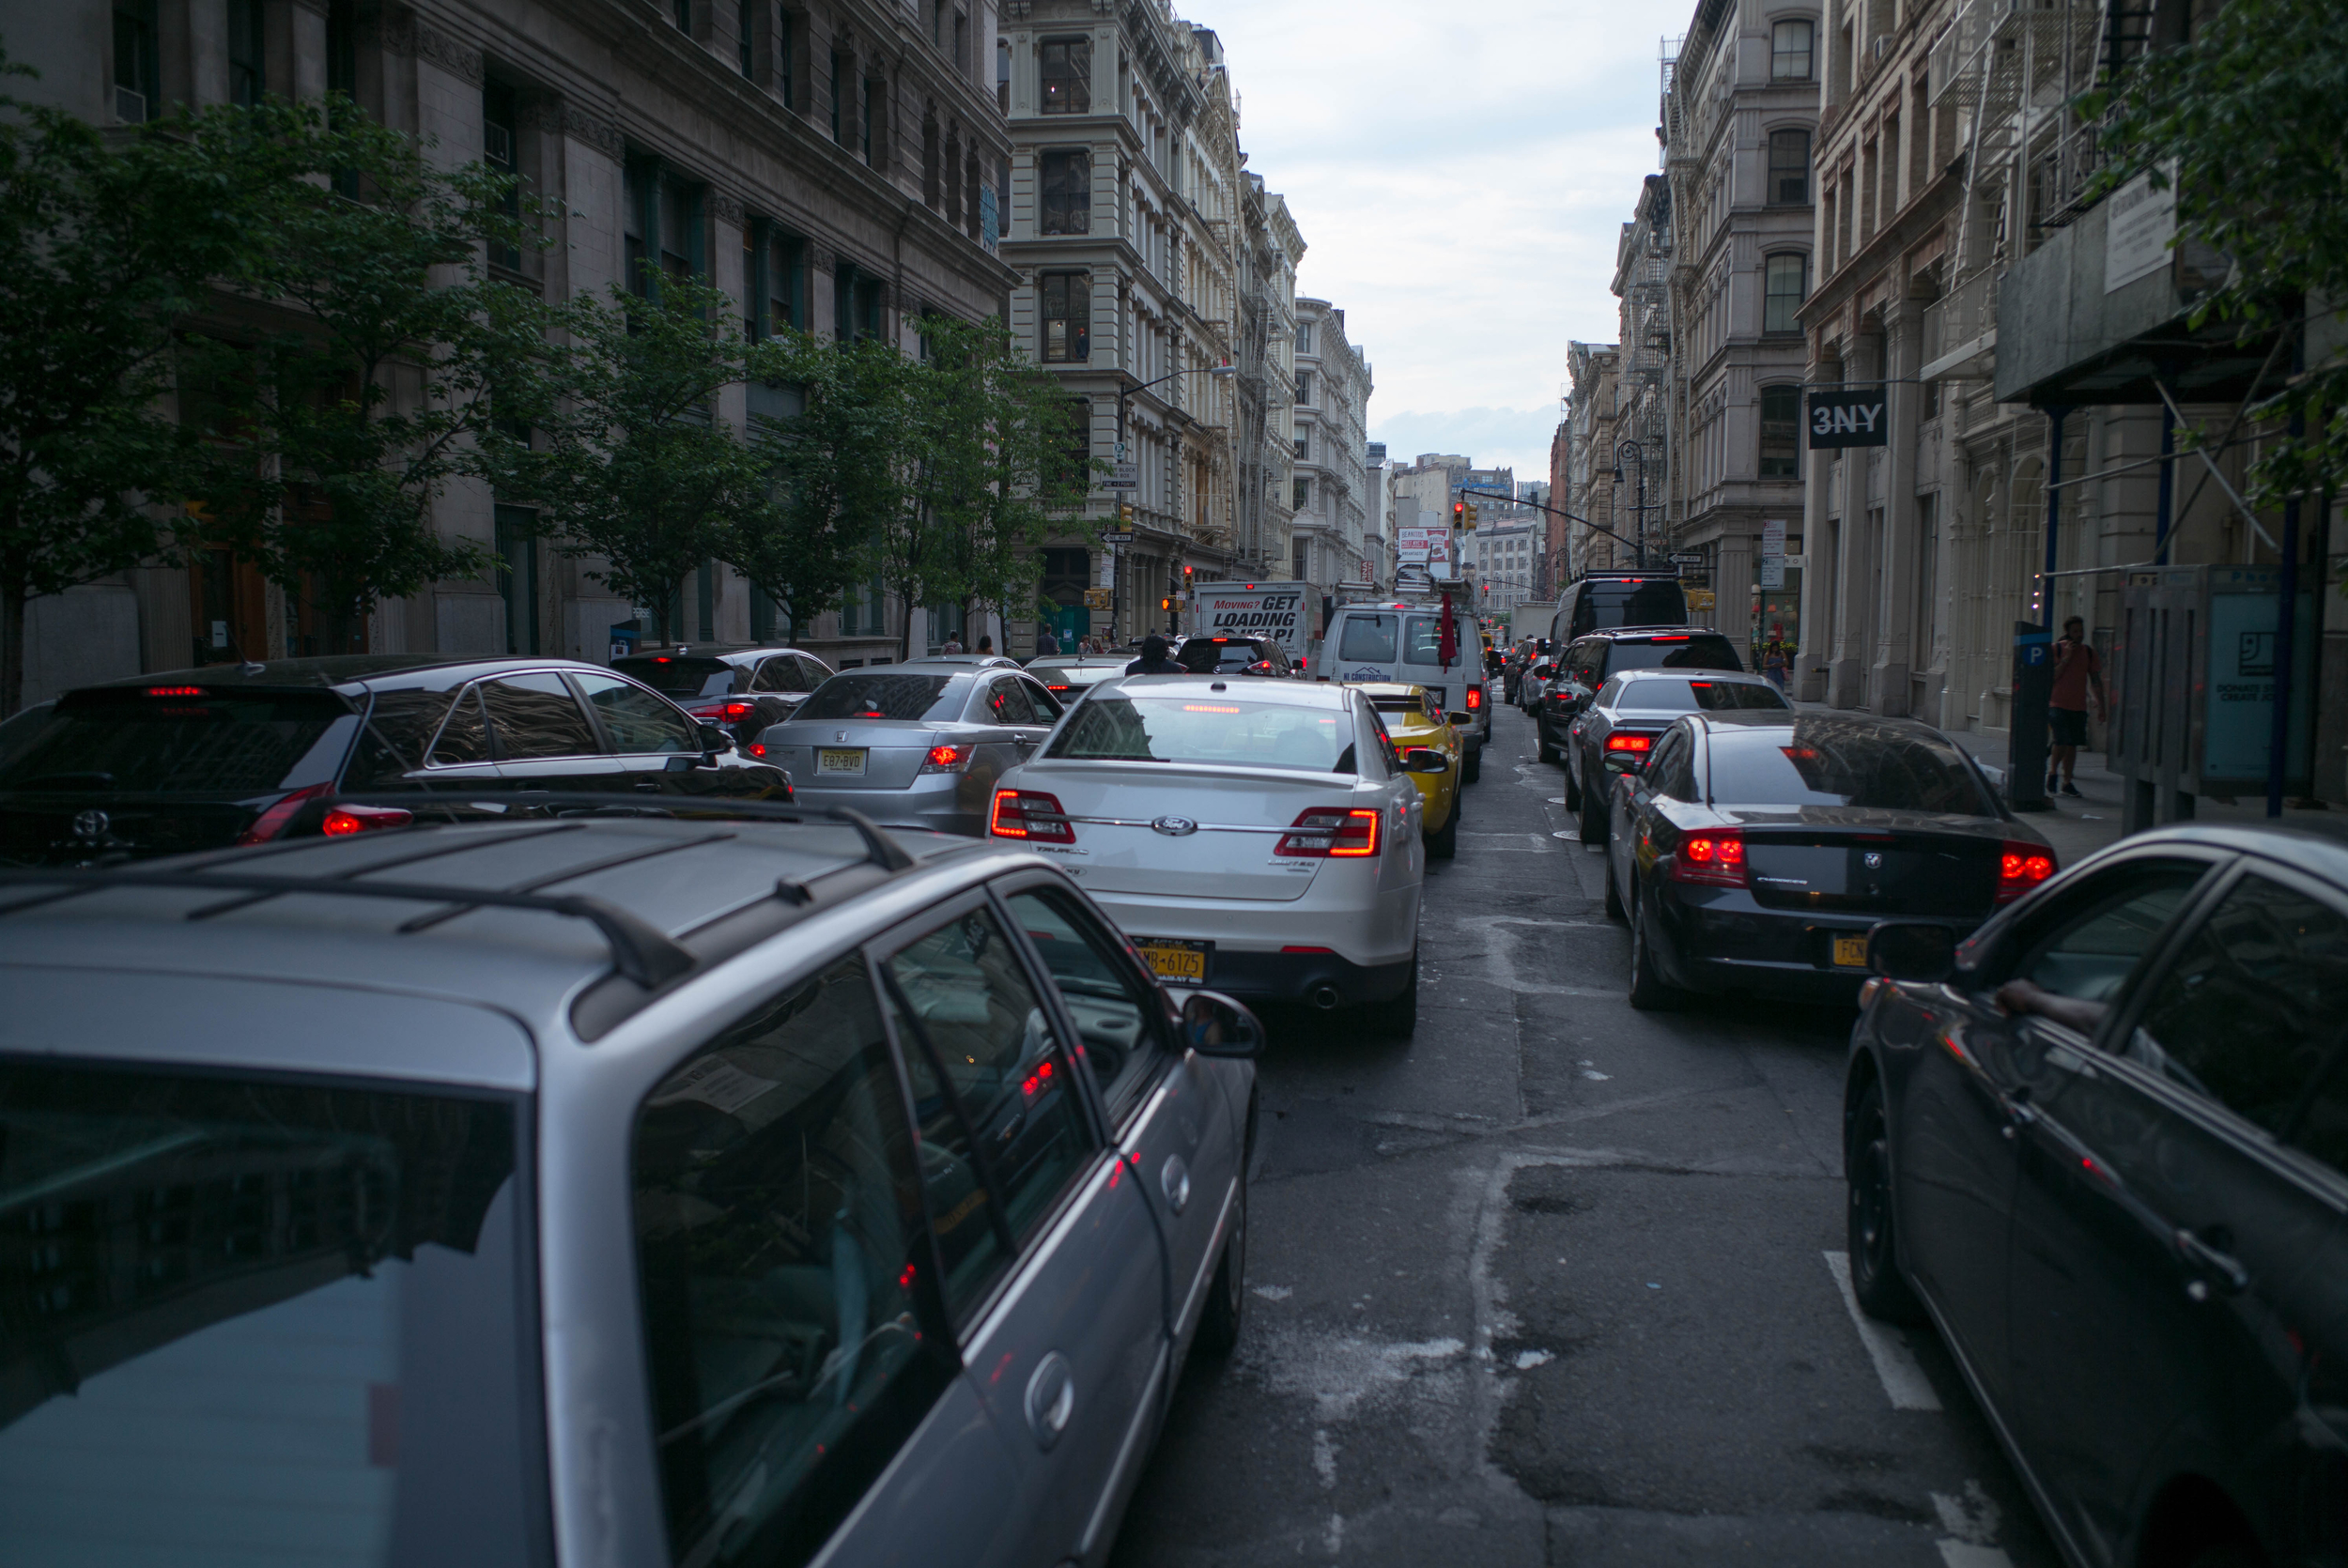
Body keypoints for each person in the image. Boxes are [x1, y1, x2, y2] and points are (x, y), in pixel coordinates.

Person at [2047, 615, 2104, 798]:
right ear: (2068, 633)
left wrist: (2100, 704)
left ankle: (2067, 781)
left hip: (2078, 706)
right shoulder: (2056, 649)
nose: (2079, 635)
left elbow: (2095, 680)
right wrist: (2066, 658)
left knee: (2072, 744)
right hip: (2057, 703)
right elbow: (2052, 677)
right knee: (2061, 740)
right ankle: (2053, 771)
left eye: (2081, 631)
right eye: (2075, 632)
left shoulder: (2088, 652)